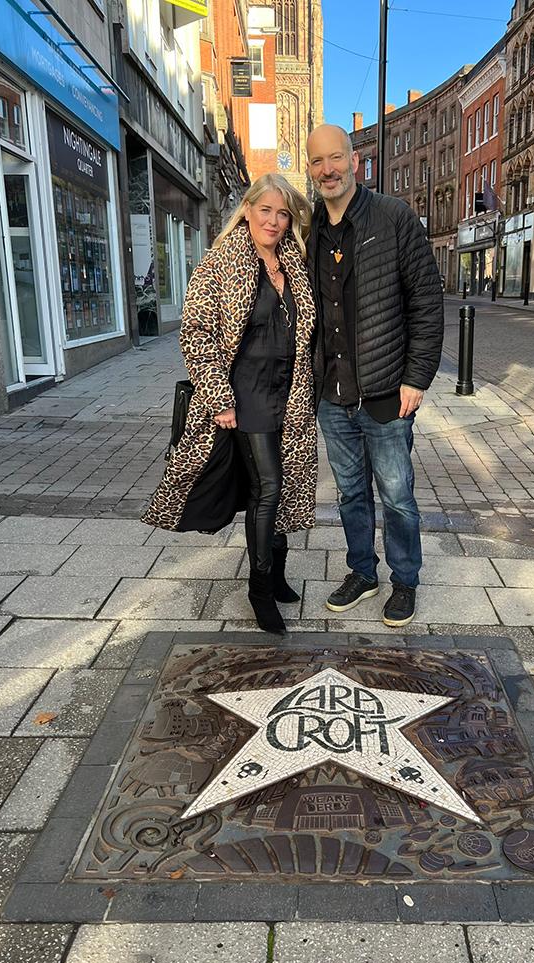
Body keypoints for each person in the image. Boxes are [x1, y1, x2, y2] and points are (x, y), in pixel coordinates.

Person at [142, 174, 317, 635]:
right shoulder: (220, 261)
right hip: (245, 392)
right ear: (248, 209)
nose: (274, 221)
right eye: (266, 210)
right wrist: (219, 397)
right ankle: (260, 587)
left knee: (284, 486)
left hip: (289, 392)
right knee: (268, 486)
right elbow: (196, 332)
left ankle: (277, 575)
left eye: (283, 213)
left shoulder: (293, 262)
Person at [306, 124, 443, 627]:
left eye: (335, 158)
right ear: (310, 169)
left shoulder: (393, 217)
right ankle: (362, 572)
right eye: (317, 161)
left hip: (387, 392)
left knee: (398, 497)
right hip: (332, 395)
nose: (328, 170)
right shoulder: (309, 228)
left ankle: (405, 581)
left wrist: (417, 378)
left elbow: (426, 301)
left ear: (355, 161)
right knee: (350, 495)